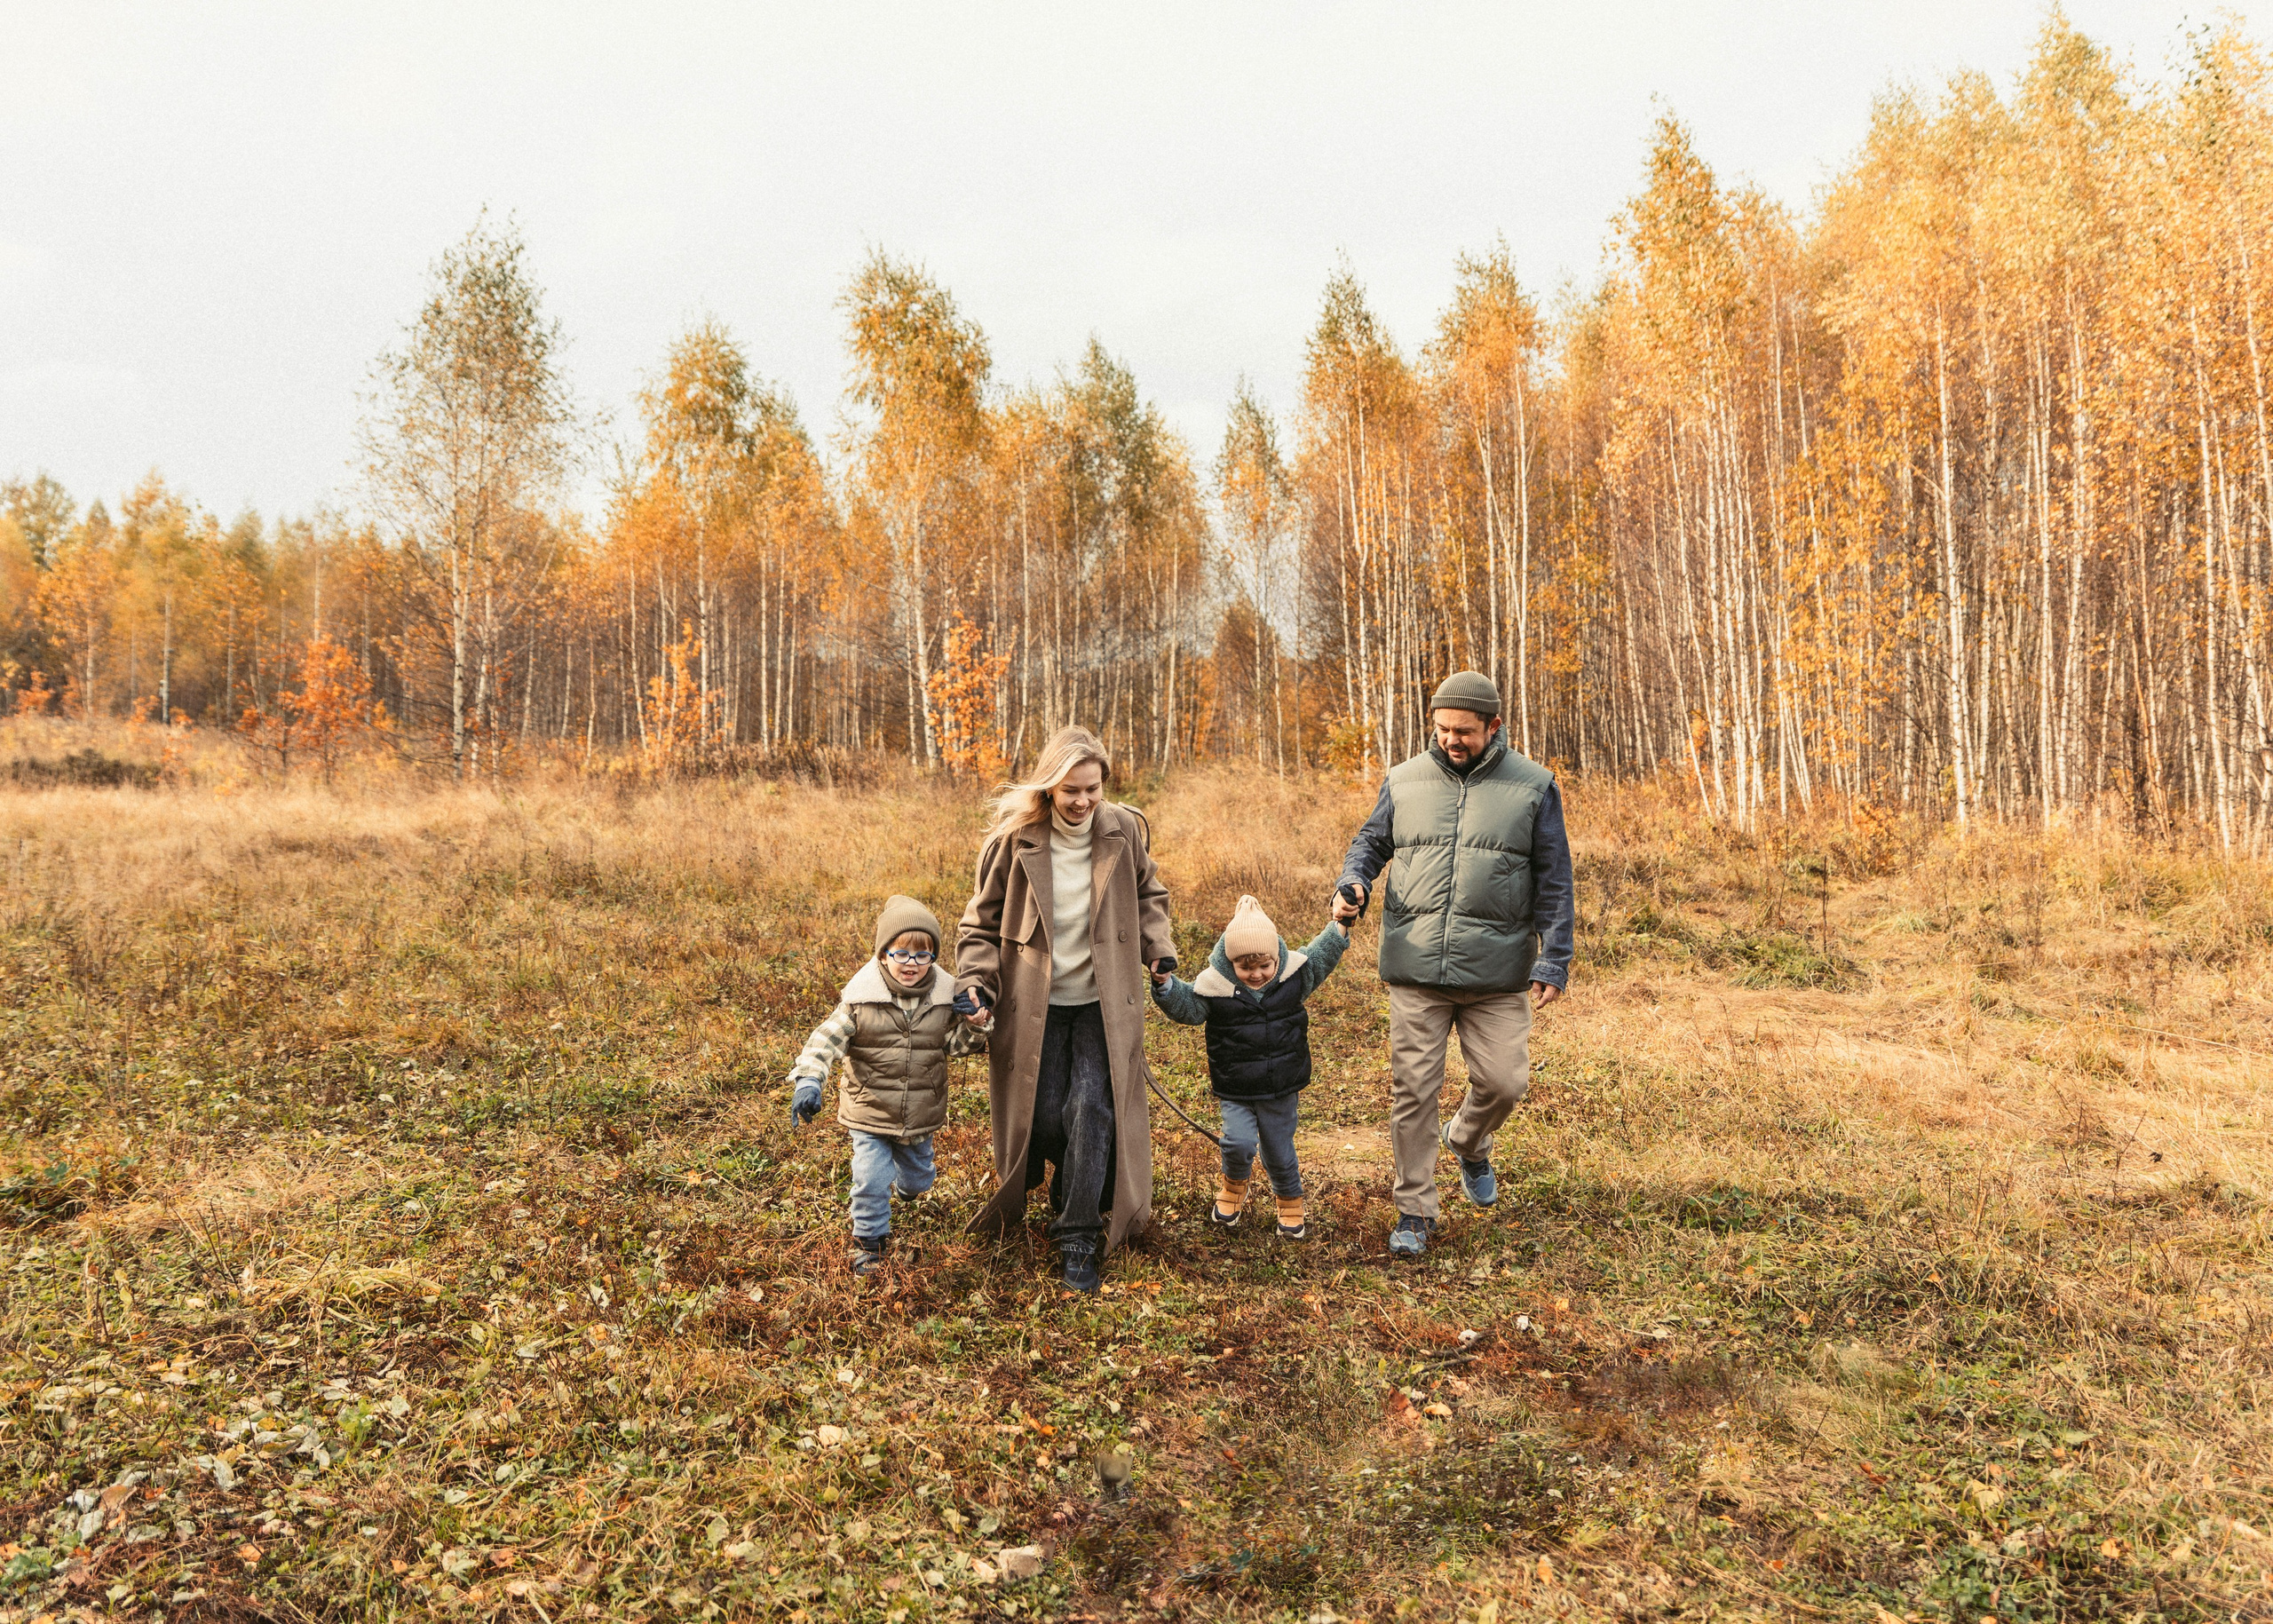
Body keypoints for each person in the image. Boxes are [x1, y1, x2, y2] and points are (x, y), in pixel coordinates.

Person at [1334, 672, 1574, 1259]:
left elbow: (1555, 876)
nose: (1450, 740)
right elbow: (1371, 840)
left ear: (1493, 726)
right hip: (1417, 964)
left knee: (1504, 1082)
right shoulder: (1405, 779)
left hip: (1497, 971)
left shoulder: (1532, 786)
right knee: (1412, 1091)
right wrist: (1354, 880)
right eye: (1441, 729)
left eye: (1463, 730)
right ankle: (1415, 1209)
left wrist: (1556, 956)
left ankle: (1468, 1139)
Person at [955, 726, 1175, 1294]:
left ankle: (1078, 1236)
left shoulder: (1124, 830)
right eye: (1070, 790)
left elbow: (1151, 896)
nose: (1081, 802)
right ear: (1050, 786)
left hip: (1105, 1004)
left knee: (1091, 1109)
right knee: (1047, 1112)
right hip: (1037, 1004)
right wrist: (977, 982)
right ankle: (1073, 1181)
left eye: (1092, 790)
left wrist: (1160, 950)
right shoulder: (1016, 840)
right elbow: (979, 924)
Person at [787, 895, 990, 1276]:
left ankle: (907, 1187)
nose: (911, 964)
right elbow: (825, 1040)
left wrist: (976, 1025)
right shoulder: (860, 1002)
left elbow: (956, 1048)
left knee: (919, 1180)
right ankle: (869, 1243)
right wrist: (809, 1079)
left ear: (933, 958)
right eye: (901, 954)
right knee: (871, 1177)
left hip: (920, 1112)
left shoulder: (944, 1002)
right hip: (870, 1109)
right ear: (883, 955)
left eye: (922, 956)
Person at [1148, 894, 1350, 1240]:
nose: (1256, 974)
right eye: (1246, 968)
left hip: (1280, 1086)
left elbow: (1322, 954)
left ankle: (1289, 1199)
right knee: (1238, 1144)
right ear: (1230, 963)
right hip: (1237, 1088)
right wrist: (1164, 984)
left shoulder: (1293, 978)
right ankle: (1233, 1186)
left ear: (1277, 957)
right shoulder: (1216, 988)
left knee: (1279, 1150)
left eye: (1264, 966)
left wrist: (1341, 925)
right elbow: (1187, 1007)